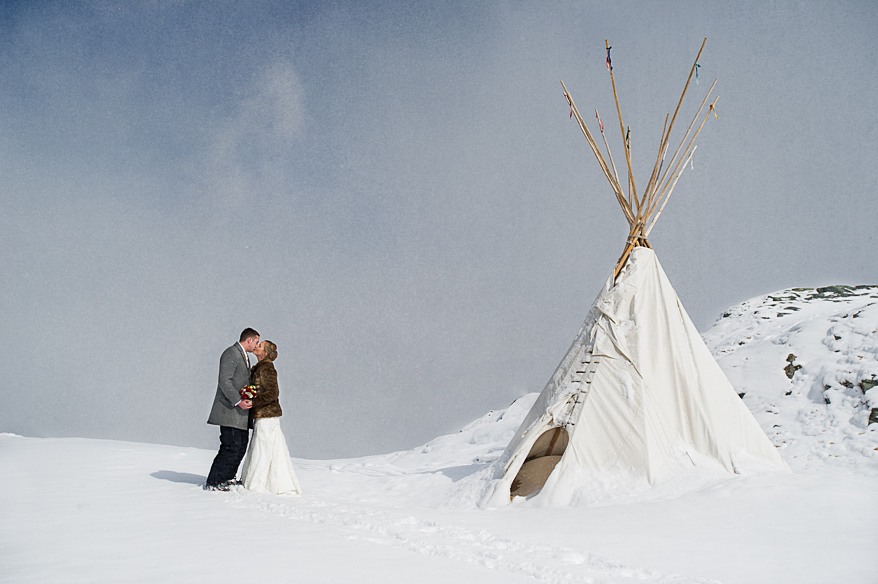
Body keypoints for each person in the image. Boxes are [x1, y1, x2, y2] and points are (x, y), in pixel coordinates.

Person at [240, 340, 302, 495]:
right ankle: (265, 482)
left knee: (263, 449)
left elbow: (273, 393)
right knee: (267, 448)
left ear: (265, 353)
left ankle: (257, 484)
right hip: (263, 415)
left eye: (259, 346)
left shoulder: (267, 369)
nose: (256, 346)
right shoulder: (260, 368)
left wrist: (253, 401)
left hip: (267, 415)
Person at [205, 328, 260, 491]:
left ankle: (228, 477)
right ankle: (214, 481)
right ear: (249, 339)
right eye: (256, 342)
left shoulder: (244, 356)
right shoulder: (231, 353)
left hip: (240, 415)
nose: (256, 345)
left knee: (240, 445)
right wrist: (238, 401)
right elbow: (224, 380)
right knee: (230, 446)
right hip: (229, 411)